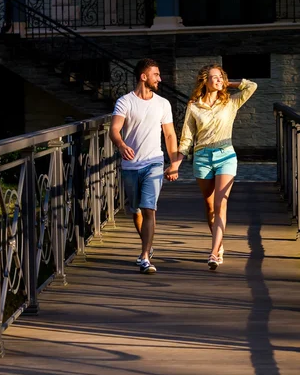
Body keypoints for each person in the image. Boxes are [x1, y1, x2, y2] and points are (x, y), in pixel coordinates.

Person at [168, 64, 257, 270]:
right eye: (214, 77)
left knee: (220, 205)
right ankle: (219, 243)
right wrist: (175, 166)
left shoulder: (231, 102)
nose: (218, 80)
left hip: (226, 155)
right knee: (210, 208)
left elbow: (252, 86)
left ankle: (214, 252)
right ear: (204, 81)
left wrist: (230, 83)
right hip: (202, 158)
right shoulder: (194, 106)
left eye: (221, 77)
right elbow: (187, 139)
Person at [109, 58, 179, 274]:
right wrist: (120, 145)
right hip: (131, 165)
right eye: (156, 74)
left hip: (154, 162)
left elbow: (169, 135)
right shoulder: (125, 102)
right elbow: (114, 129)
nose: (160, 78)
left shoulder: (163, 104)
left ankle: (145, 256)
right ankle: (147, 245)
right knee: (136, 210)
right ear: (143, 76)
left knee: (150, 208)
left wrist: (174, 163)